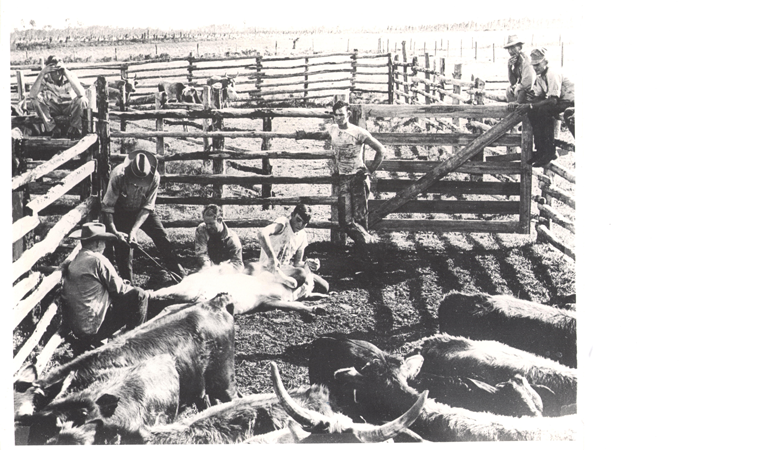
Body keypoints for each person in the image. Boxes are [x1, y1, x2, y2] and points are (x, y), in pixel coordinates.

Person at [60, 222, 149, 354]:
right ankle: (136, 344)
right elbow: (119, 290)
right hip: (94, 328)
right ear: (96, 243)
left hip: (80, 326)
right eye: (104, 241)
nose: (105, 245)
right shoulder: (97, 260)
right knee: (139, 295)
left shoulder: (76, 259)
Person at [102, 149, 187, 284]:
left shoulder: (155, 177)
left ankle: (179, 273)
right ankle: (128, 286)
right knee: (124, 249)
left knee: (162, 236)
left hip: (142, 211)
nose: (137, 184)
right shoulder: (118, 175)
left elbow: (148, 206)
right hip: (121, 213)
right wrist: (115, 232)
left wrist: (134, 230)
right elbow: (108, 207)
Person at [329, 100, 385, 247]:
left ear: (348, 114)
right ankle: (371, 243)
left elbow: (381, 150)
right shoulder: (333, 129)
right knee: (345, 221)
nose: (339, 118)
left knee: (360, 217)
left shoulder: (358, 132)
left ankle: (363, 253)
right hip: (343, 179)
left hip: (358, 178)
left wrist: (369, 170)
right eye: (336, 115)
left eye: (341, 115)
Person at [514, 48, 575, 167]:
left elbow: (552, 100)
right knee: (533, 111)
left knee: (543, 110)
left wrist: (531, 104)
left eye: (538, 65)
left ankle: (549, 152)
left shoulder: (552, 73)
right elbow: (538, 96)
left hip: (571, 101)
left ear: (545, 62)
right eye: (534, 65)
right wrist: (530, 100)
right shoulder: (540, 77)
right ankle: (540, 150)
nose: (535, 68)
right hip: (560, 101)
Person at [258, 204, 330, 299]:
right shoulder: (283, 224)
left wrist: (308, 263)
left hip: (286, 270)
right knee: (300, 275)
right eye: (298, 220)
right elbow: (262, 234)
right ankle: (297, 294)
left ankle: (294, 292)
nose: (300, 225)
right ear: (292, 215)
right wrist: (272, 258)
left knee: (324, 286)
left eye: (304, 223)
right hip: (269, 268)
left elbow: (297, 263)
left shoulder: (302, 235)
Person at [28, 55, 88, 139]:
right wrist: (42, 73)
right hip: (54, 107)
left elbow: (81, 94)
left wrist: (66, 73)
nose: (57, 73)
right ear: (49, 71)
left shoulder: (70, 75)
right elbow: (32, 95)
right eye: (54, 71)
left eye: (59, 70)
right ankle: (52, 128)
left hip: (69, 107)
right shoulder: (45, 78)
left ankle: (74, 128)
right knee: (36, 100)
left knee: (82, 100)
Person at [194, 204, 243, 271]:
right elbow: (201, 254)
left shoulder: (232, 239)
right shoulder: (202, 230)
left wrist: (226, 269)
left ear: (219, 220)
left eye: (211, 224)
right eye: (206, 223)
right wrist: (210, 270)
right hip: (207, 269)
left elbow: (238, 264)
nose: (208, 227)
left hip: (225, 271)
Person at [503, 35, 536, 104]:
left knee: (516, 90)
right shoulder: (517, 61)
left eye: (512, 48)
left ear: (520, 47)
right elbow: (513, 82)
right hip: (523, 91)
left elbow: (527, 85)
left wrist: (517, 96)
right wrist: (509, 68)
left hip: (533, 92)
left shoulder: (526, 61)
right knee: (509, 90)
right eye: (509, 49)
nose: (510, 51)